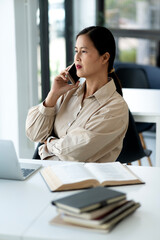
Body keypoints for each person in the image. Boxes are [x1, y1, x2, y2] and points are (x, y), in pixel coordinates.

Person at [26, 26, 129, 162]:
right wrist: (52, 96)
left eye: (84, 51)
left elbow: (75, 152)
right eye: (76, 51)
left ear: (104, 57)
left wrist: (49, 141)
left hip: (84, 180)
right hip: (49, 173)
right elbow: (34, 133)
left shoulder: (115, 107)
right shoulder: (67, 92)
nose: (77, 58)